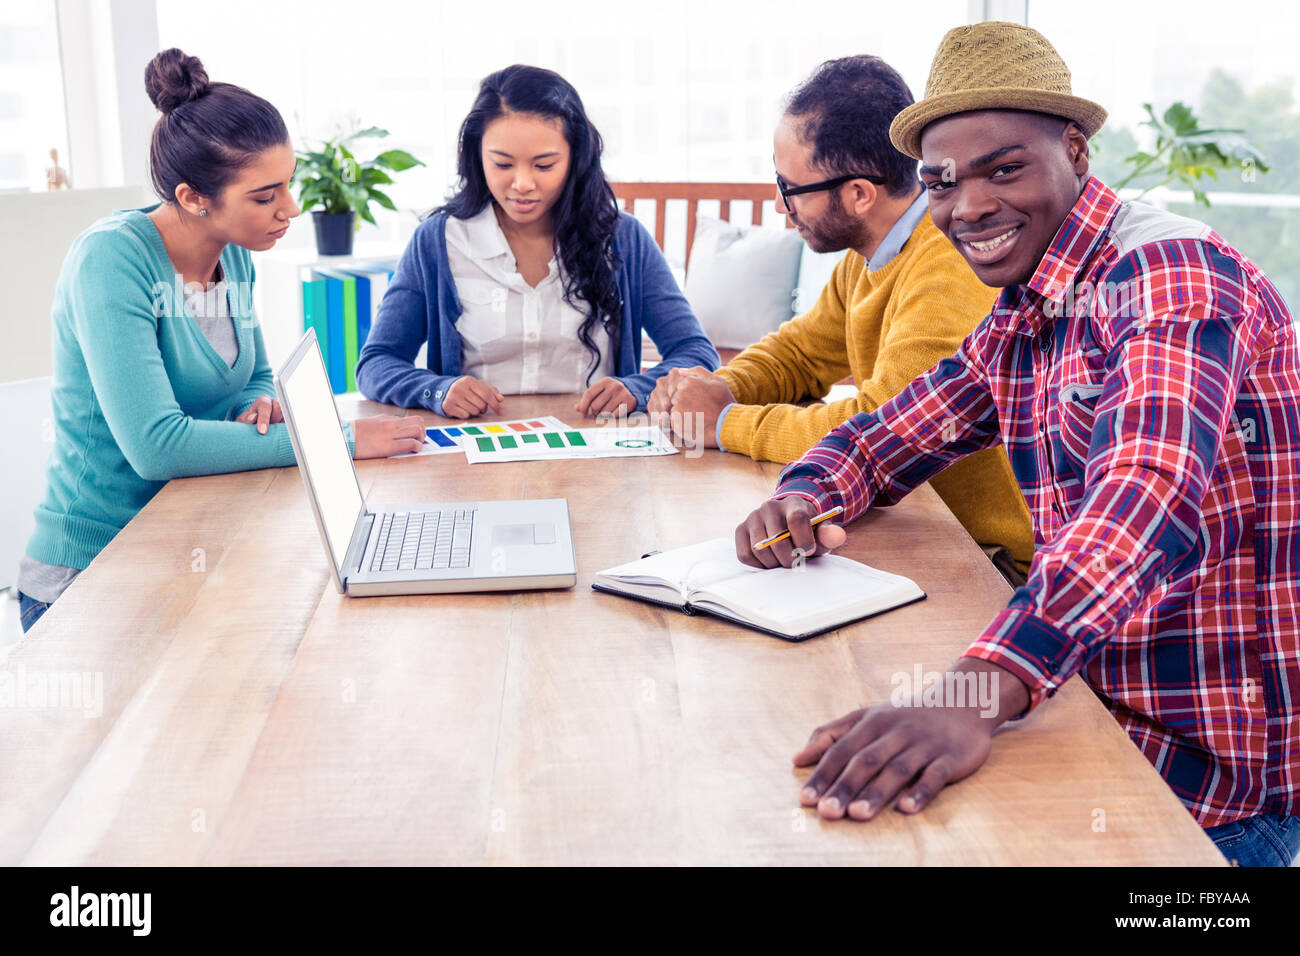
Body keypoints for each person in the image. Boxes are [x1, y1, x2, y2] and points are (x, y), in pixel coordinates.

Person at [735, 22, 1300, 867]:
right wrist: (807, 491)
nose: (967, 206)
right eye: (941, 182)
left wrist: (968, 696)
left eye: (1003, 169)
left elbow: (1143, 502)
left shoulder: (1169, 276)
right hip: (1086, 702)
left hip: (1210, 789)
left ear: (1074, 150)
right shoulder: (1030, 305)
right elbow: (893, 433)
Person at [16, 48, 425, 634]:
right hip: (92, 574)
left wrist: (254, 405)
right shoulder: (111, 260)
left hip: (190, 539)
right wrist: (338, 442)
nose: (290, 209)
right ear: (193, 198)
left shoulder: (233, 254)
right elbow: (158, 447)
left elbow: (251, 374)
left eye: (287, 185)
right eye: (264, 196)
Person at [648, 56, 1032, 583]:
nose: (779, 205)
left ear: (859, 195)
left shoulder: (949, 266)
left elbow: (880, 421)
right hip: (912, 526)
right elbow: (800, 354)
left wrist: (721, 421)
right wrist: (716, 388)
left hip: (986, 557)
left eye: (789, 188)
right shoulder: (869, 255)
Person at [355, 65, 719, 420]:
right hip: (475, 445)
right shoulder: (437, 242)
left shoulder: (625, 240)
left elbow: (696, 352)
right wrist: (437, 390)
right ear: (477, 155)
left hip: (596, 442)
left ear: (576, 158)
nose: (523, 184)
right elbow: (376, 362)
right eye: (502, 164)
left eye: (544, 166)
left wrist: (637, 389)